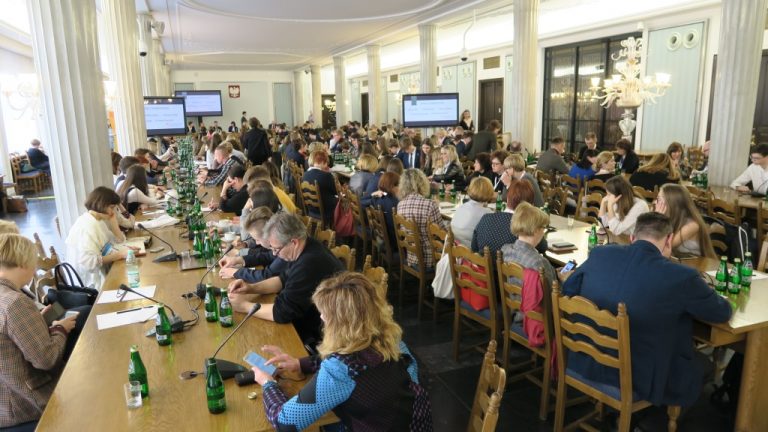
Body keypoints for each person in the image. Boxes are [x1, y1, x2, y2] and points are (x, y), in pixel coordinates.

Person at [562, 212, 732, 407]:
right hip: (638, 377)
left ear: (632, 237)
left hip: (584, 358)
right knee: (703, 366)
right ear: (669, 240)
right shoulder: (682, 276)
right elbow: (721, 312)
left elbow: (569, 289)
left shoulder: (600, 253)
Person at [251, 272, 433, 431]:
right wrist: (300, 363)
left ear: (342, 323)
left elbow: (284, 422)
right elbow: (354, 359)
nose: (321, 317)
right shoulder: (391, 338)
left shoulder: (340, 370)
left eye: (325, 313)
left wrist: (267, 383)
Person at [227, 212, 344, 346]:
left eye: (276, 250)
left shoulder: (308, 264)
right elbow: (282, 279)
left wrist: (245, 306)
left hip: (326, 332)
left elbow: (282, 312)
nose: (275, 254)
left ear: (293, 242)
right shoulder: (306, 244)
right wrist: (251, 288)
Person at [0, 234, 78, 431]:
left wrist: (37, 323)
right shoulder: (14, 302)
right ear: (23, 263)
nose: (35, 269)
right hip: (24, 404)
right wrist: (60, 328)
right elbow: (46, 359)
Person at [65, 187, 129, 290]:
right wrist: (120, 255)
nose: (113, 212)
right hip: (87, 285)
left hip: (99, 275)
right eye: (111, 207)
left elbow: (118, 241)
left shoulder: (97, 220)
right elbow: (89, 262)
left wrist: (114, 224)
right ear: (101, 205)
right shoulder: (88, 225)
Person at [502, 202, 569, 290]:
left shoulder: (505, 250)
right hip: (535, 299)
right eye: (544, 228)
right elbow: (553, 293)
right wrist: (564, 280)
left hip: (513, 297)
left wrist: (552, 272)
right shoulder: (539, 262)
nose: (544, 232)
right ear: (536, 230)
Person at [472, 179, 547, 255]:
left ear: (507, 199)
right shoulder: (524, 227)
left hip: (482, 262)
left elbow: (474, 248)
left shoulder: (485, 218)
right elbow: (543, 248)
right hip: (515, 262)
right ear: (530, 204)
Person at [397, 169, 448, 269]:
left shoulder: (400, 204)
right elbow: (442, 234)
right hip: (430, 258)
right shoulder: (430, 204)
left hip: (411, 256)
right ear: (422, 183)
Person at [220, 207, 287, 282]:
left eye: (257, 239)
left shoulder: (284, 250)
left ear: (268, 235)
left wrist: (235, 272)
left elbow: (266, 275)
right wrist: (238, 259)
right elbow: (267, 256)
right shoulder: (278, 246)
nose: (257, 243)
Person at [654, 183, 716, 258]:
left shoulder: (692, 225)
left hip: (696, 263)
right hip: (676, 260)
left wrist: (658, 219)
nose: (655, 202)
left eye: (658, 199)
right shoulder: (670, 217)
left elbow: (665, 246)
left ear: (671, 203)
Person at [451, 177, 495, 246]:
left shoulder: (462, 206)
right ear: (489, 192)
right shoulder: (487, 214)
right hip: (472, 250)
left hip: (455, 247)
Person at [302, 150, 337, 226]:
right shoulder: (326, 176)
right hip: (325, 211)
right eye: (326, 163)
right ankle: (341, 228)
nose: (327, 166)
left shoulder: (304, 175)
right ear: (322, 162)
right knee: (342, 201)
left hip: (311, 209)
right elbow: (336, 192)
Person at [369, 172, 400, 247]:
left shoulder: (376, 198)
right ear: (393, 186)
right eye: (399, 185)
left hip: (381, 236)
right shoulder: (395, 203)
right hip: (394, 242)